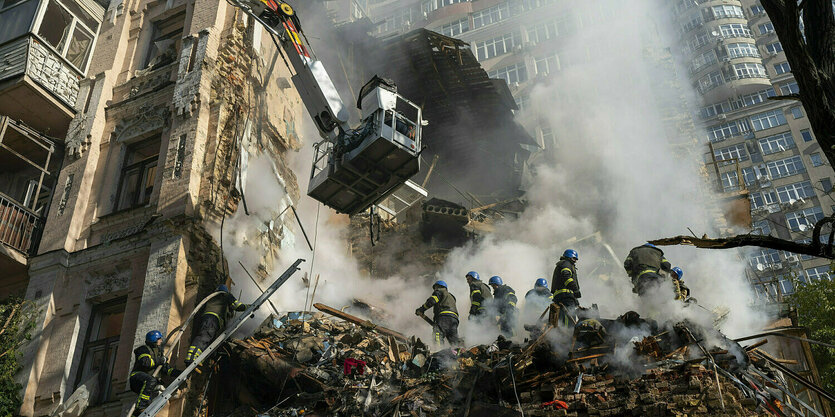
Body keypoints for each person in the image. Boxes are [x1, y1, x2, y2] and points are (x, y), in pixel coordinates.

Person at [185, 284, 248, 365]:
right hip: (212, 319)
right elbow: (238, 306)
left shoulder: (212, 298)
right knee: (204, 337)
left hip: (209, 319)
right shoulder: (226, 295)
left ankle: (198, 359)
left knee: (207, 340)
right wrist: (249, 307)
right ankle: (192, 357)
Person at [130, 330, 181, 415]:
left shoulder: (159, 353)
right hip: (137, 377)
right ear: (154, 339)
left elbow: (166, 370)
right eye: (159, 339)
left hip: (148, 383)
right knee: (151, 381)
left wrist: (179, 373)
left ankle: (136, 414)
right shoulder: (143, 349)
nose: (161, 341)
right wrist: (160, 360)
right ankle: (141, 406)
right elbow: (145, 363)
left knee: (149, 402)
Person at [415, 280, 460, 345]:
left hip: (444, 317)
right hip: (454, 319)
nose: (435, 290)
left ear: (438, 286)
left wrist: (421, 309)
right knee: (454, 342)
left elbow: (432, 301)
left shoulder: (440, 291)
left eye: (435, 287)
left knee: (438, 335)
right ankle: (457, 353)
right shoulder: (451, 297)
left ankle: (438, 351)